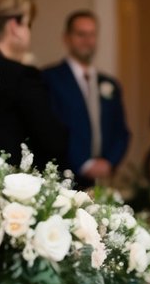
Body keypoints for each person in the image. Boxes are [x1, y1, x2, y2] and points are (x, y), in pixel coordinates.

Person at [0, 0, 68, 169]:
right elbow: (53, 140)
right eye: (29, 24)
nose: (29, 32)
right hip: (8, 181)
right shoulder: (22, 77)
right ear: (15, 26)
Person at [41, 11, 131, 188]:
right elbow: (50, 129)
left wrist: (109, 162)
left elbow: (121, 131)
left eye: (92, 35)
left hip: (103, 180)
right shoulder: (49, 79)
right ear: (66, 38)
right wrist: (83, 163)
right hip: (64, 177)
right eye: (81, 34)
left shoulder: (110, 84)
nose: (87, 41)